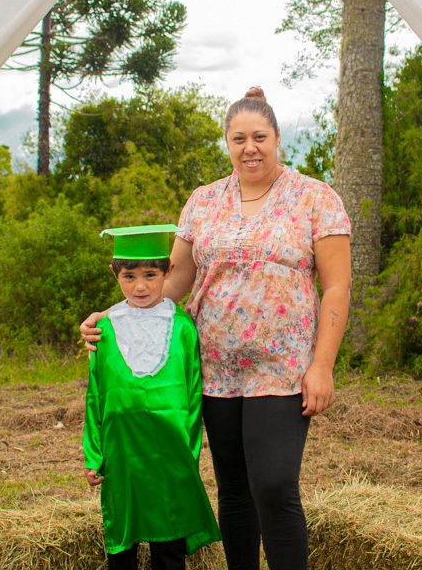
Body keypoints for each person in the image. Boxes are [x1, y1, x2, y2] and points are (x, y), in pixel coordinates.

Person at [82, 88, 352, 570]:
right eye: (239, 138)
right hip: (214, 369)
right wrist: (117, 317)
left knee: (273, 484)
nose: (250, 147)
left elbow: (336, 288)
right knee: (234, 489)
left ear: (277, 139)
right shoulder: (204, 201)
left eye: (259, 137)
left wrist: (323, 366)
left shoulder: (315, 198)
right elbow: (178, 278)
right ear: (227, 143)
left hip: (283, 370)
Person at [83, 224, 221, 570]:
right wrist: (94, 453)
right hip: (121, 451)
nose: (140, 286)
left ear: (168, 271)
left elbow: (192, 398)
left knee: (169, 538)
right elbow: (95, 395)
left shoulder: (182, 328)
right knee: (122, 539)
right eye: (129, 276)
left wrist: (188, 455)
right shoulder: (106, 328)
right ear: (114, 274)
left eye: (150, 274)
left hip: (169, 453)